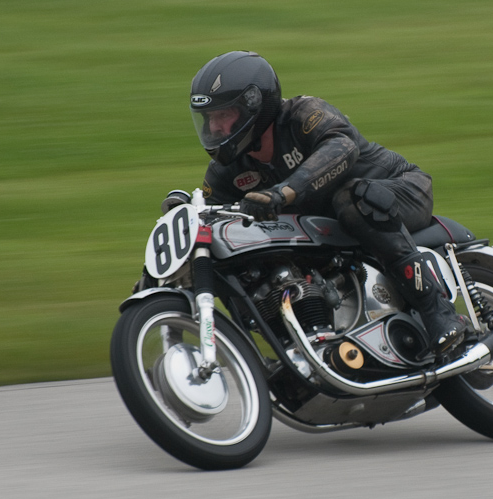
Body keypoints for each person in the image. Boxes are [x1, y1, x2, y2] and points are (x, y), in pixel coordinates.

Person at [189, 51, 466, 357]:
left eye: (223, 115)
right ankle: (287, 349)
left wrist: (283, 192)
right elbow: (211, 214)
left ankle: (439, 313)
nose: (214, 127)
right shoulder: (228, 171)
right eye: (209, 118)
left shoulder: (303, 114)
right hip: (330, 229)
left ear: (253, 105)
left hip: (401, 190)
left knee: (351, 199)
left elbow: (341, 145)